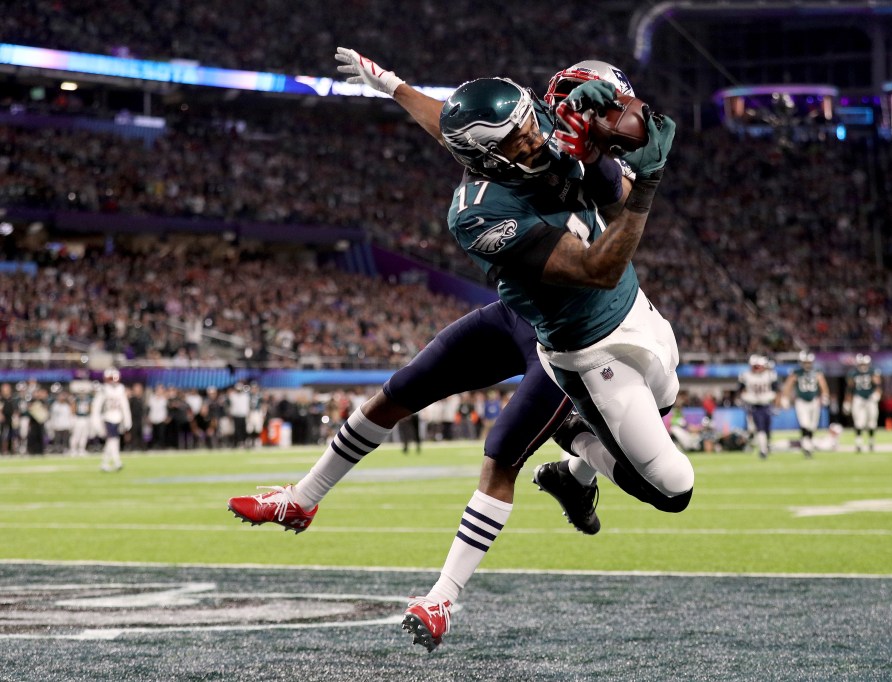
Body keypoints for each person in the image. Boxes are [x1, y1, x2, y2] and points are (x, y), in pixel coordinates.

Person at [228, 48, 688, 652]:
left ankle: (570, 465)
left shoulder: (533, 123)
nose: (535, 138)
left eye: (530, 124)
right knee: (405, 395)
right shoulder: (480, 215)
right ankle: (314, 508)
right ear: (486, 157)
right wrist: (634, 180)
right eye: (517, 139)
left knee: (534, 453)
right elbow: (597, 267)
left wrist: (391, 83)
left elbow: (449, 120)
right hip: (552, 327)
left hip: (600, 328)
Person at [780, 350, 830, 458]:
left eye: (809, 362)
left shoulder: (817, 371)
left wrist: (825, 395)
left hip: (814, 401)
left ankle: (808, 443)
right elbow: (788, 384)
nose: (807, 364)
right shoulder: (796, 372)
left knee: (812, 426)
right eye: (805, 362)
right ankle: (807, 446)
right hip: (801, 401)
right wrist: (785, 398)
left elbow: (823, 384)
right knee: (804, 424)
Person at [738, 355, 779, 458]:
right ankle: (763, 450)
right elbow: (740, 390)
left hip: (766, 404)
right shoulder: (746, 375)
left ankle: (765, 445)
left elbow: (776, 390)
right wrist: (745, 398)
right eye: (755, 366)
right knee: (759, 427)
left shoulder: (769, 375)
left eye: (759, 366)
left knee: (766, 427)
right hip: (754, 405)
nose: (757, 369)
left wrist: (776, 402)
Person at [92, 367, 132, 472]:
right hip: (107, 416)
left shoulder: (120, 389)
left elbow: (125, 406)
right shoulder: (104, 389)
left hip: (117, 417)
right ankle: (116, 461)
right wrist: (96, 421)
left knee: (113, 440)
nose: (113, 381)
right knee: (113, 440)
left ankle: (105, 463)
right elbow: (97, 407)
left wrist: (127, 420)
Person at [843, 353, 881, 453]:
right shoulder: (853, 373)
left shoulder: (873, 371)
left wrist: (877, 393)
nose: (863, 366)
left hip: (870, 399)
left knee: (872, 421)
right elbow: (849, 388)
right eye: (861, 364)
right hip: (858, 398)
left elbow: (878, 385)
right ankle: (858, 443)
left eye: (864, 364)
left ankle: (871, 442)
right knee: (858, 422)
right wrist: (847, 401)